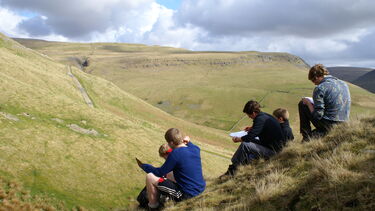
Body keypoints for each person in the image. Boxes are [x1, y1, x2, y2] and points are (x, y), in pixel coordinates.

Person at [136, 128, 205, 209]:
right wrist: (188, 141)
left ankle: (152, 207)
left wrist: (145, 166)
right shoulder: (195, 149)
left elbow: (159, 172)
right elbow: (189, 142)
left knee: (150, 177)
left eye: (168, 143)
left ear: (171, 142)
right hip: (200, 189)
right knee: (169, 174)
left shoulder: (175, 154)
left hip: (187, 194)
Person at [223, 100, 285, 176]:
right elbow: (261, 128)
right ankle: (240, 165)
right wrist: (252, 128)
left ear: (253, 113)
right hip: (271, 146)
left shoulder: (259, 119)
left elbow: (251, 136)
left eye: (249, 115)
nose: (249, 117)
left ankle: (233, 169)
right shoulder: (265, 115)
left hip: (274, 152)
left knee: (245, 145)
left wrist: (239, 139)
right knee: (248, 142)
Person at [298, 64, 351, 142]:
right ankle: (317, 133)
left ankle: (306, 136)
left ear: (316, 77)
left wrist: (309, 103)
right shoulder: (344, 84)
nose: (314, 83)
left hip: (329, 125)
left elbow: (318, 115)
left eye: (313, 81)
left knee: (302, 104)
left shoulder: (320, 88)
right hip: (344, 123)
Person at [137, 144, 174, 208]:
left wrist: (144, 166)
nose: (165, 160)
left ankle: (150, 206)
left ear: (165, 154)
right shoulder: (177, 156)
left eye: (163, 157)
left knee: (151, 179)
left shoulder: (172, 159)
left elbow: (159, 172)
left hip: (178, 190)